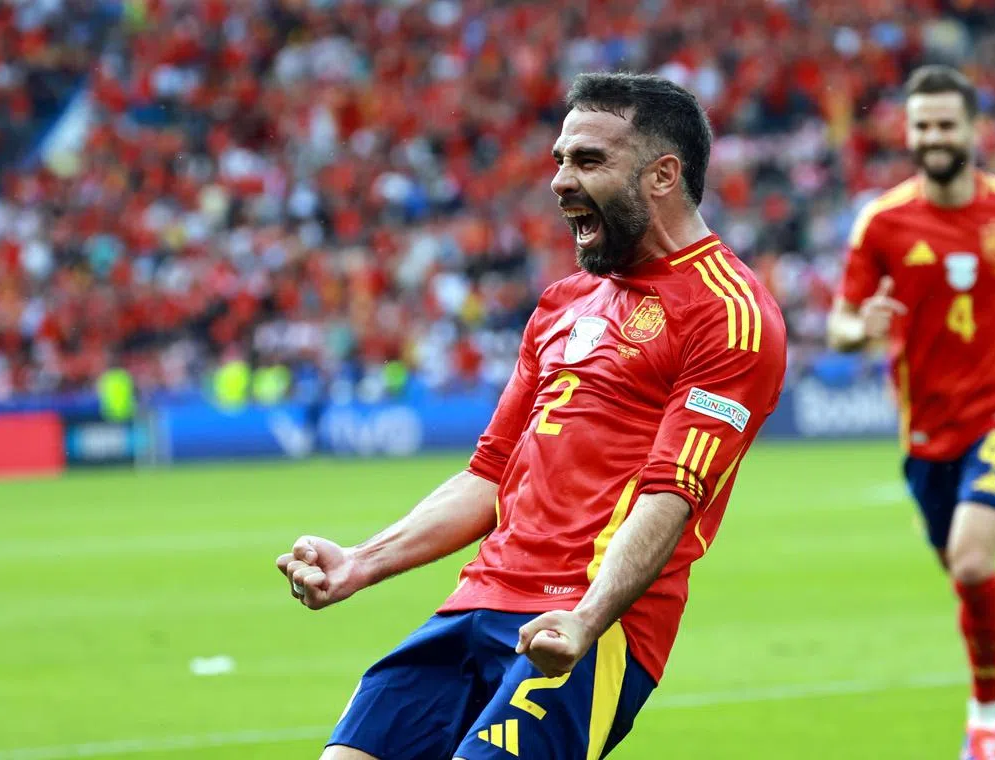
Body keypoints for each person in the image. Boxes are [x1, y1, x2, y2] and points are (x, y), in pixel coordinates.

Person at [276, 72, 787, 760]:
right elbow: (489, 475)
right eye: (559, 160)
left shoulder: (729, 313)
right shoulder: (563, 303)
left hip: (591, 623)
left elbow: (672, 495)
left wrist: (585, 619)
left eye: (589, 160)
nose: (561, 181)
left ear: (663, 174)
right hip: (475, 604)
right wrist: (359, 564)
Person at [828, 65, 995, 760]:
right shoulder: (882, 221)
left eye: (946, 125)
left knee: (973, 566)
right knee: (969, 579)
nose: (933, 137)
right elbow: (841, 324)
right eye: (922, 126)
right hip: (924, 430)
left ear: (974, 131)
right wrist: (864, 329)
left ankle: (983, 720)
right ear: (908, 134)